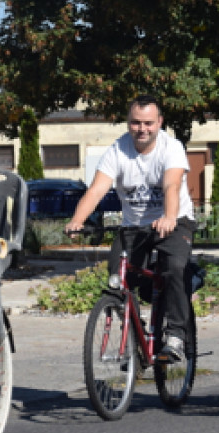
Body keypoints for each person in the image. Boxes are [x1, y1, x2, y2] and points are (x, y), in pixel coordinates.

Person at [66, 95, 196, 363]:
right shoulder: (118, 150)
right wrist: (77, 219)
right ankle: (133, 341)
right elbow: (97, 190)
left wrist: (169, 216)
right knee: (119, 280)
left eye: (148, 122)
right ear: (128, 123)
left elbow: (172, 185)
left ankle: (175, 335)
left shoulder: (171, 148)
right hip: (133, 227)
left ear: (160, 122)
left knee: (174, 269)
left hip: (173, 221)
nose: (142, 129)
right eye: (135, 122)